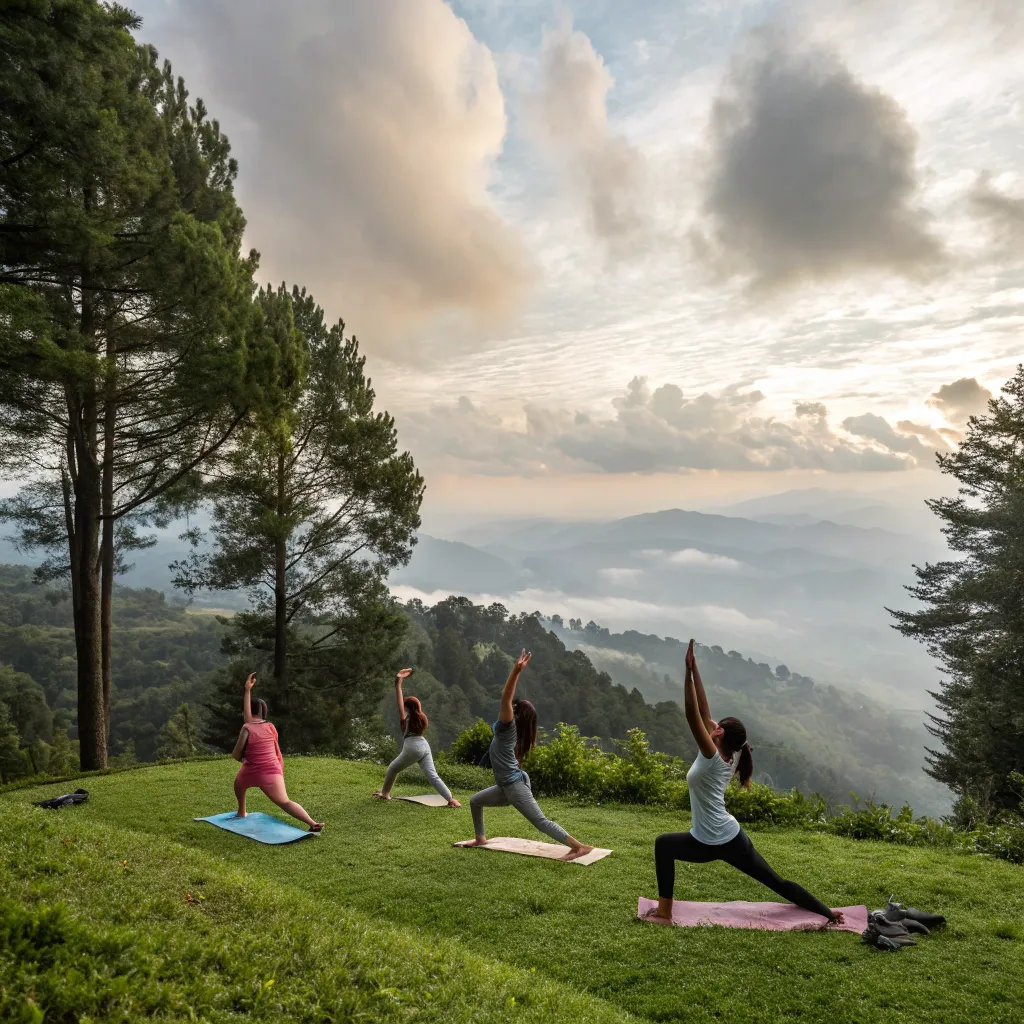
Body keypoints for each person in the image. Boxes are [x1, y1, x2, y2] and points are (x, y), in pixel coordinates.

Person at [644, 640, 843, 926]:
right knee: (664, 846)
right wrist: (694, 668)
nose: (711, 726)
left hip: (718, 839)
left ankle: (826, 912)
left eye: (716, 727)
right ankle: (664, 912)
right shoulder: (735, 752)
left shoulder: (712, 755)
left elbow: (692, 714)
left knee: (775, 881)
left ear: (720, 734)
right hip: (717, 838)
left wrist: (686, 675)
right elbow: (702, 711)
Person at [460, 649, 594, 860]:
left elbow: (505, 697)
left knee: (540, 821)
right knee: (475, 801)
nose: (509, 708)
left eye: (514, 708)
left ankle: (579, 847)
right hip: (505, 786)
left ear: (516, 715)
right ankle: (480, 839)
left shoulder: (508, 729)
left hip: (514, 786)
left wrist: (516, 671)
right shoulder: (512, 734)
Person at [231, 672, 323, 833]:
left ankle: (241, 812)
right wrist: (279, 767)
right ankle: (312, 822)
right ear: (263, 712)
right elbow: (276, 750)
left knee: (239, 785)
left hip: (254, 769)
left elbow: (235, 755)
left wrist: (247, 690)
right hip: (271, 769)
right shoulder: (271, 726)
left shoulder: (247, 728)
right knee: (284, 801)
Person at [373, 668, 460, 807]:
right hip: (424, 745)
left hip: (412, 747)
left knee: (392, 769)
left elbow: (399, 700)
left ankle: (385, 794)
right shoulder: (421, 717)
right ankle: (451, 800)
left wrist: (398, 682)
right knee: (432, 775)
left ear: (407, 709)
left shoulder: (406, 718)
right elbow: (403, 703)